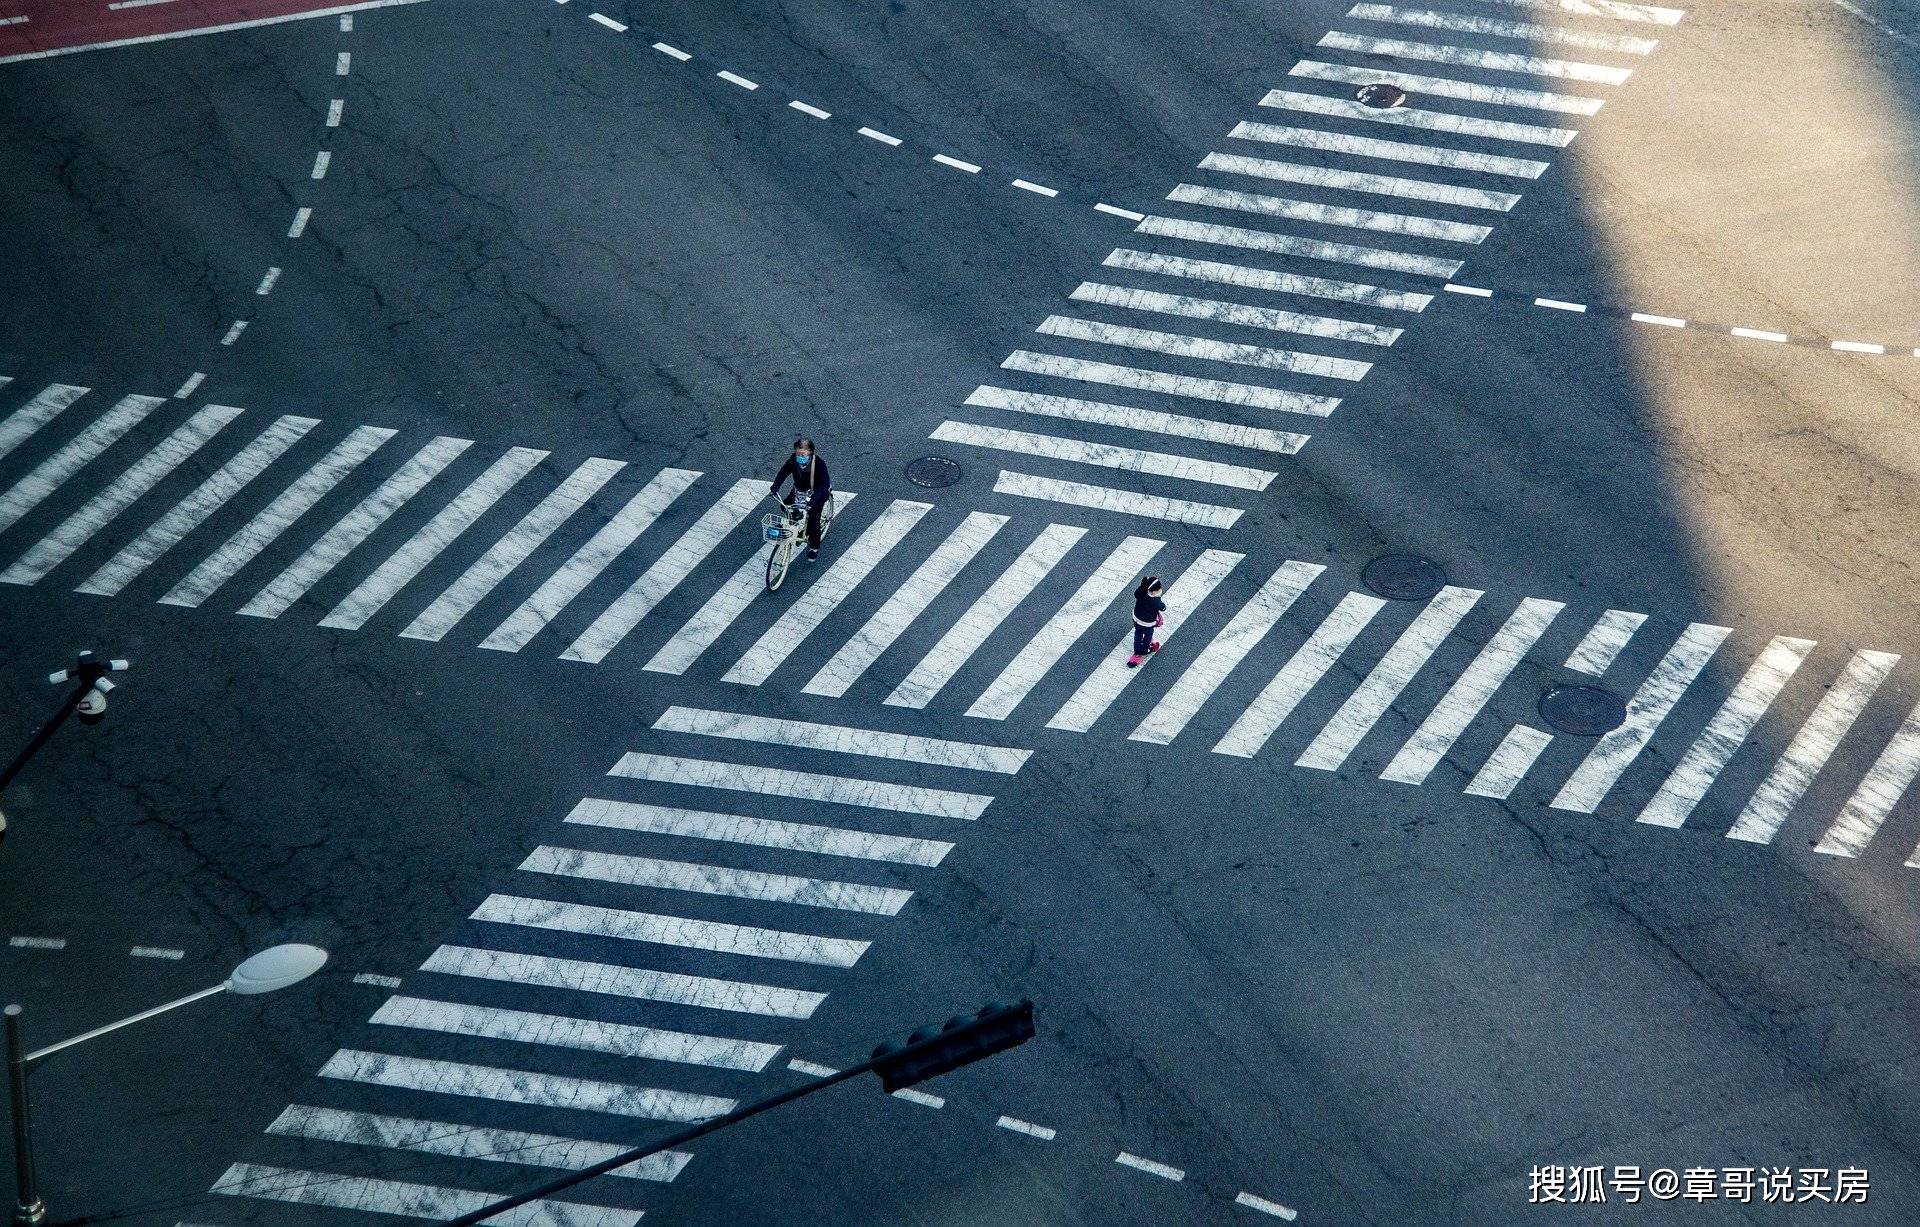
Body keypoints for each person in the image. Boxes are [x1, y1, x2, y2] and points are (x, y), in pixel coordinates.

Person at [770, 437, 831, 560]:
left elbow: (824, 485)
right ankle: (797, 516)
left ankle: (814, 547)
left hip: (816, 493)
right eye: (797, 453)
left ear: (810, 452)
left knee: (813, 522)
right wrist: (775, 487)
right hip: (799, 491)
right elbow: (784, 471)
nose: (799, 456)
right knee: (785, 506)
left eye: (802, 453)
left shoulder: (819, 464)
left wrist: (814, 500)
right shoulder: (794, 460)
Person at [1128, 576, 1164, 667]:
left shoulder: (1141, 593)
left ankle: (1136, 652)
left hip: (1136, 618)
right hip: (1147, 623)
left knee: (1138, 634)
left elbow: (1137, 593)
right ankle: (1143, 650)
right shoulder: (1155, 600)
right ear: (1154, 591)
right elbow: (1162, 607)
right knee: (1148, 635)